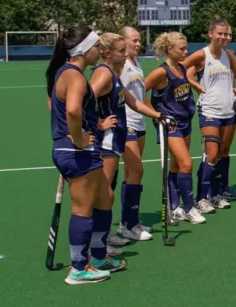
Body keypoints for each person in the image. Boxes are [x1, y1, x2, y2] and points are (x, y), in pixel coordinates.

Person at [46, 27, 123, 285]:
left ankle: (99, 258)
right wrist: (78, 137)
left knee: (106, 198)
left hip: (79, 149)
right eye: (95, 47)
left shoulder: (68, 72)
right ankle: (78, 268)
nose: (99, 51)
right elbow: (73, 110)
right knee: (82, 208)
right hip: (75, 150)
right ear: (83, 51)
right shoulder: (74, 75)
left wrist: (94, 127)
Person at [88, 33, 168, 246]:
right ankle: (98, 242)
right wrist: (99, 123)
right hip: (106, 140)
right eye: (121, 52)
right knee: (103, 192)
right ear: (107, 53)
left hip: (117, 137)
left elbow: (133, 102)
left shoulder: (114, 74)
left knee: (108, 190)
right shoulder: (104, 73)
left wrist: (158, 115)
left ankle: (104, 236)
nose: (126, 55)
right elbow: (83, 100)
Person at [144, 32, 205, 226]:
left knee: (177, 166)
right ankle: (189, 208)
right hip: (171, 125)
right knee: (187, 163)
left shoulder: (182, 67)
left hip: (185, 121)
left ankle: (175, 207)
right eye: (182, 49)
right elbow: (138, 91)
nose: (186, 52)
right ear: (170, 49)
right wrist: (156, 115)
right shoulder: (161, 72)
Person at [184, 16, 236, 212]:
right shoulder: (202, 54)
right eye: (221, 34)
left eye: (228, 34)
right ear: (211, 34)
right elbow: (179, 68)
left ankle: (217, 194)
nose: (225, 37)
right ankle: (201, 197)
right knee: (212, 154)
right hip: (209, 110)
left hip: (228, 110)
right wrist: (195, 85)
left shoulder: (228, 54)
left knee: (223, 153)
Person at [115, 26, 153, 241]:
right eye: (135, 41)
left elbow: (140, 95)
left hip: (140, 123)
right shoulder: (120, 65)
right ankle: (130, 223)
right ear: (123, 41)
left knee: (131, 174)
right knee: (136, 171)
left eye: (139, 41)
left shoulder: (136, 63)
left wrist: (156, 115)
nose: (138, 44)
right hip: (126, 123)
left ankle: (127, 222)